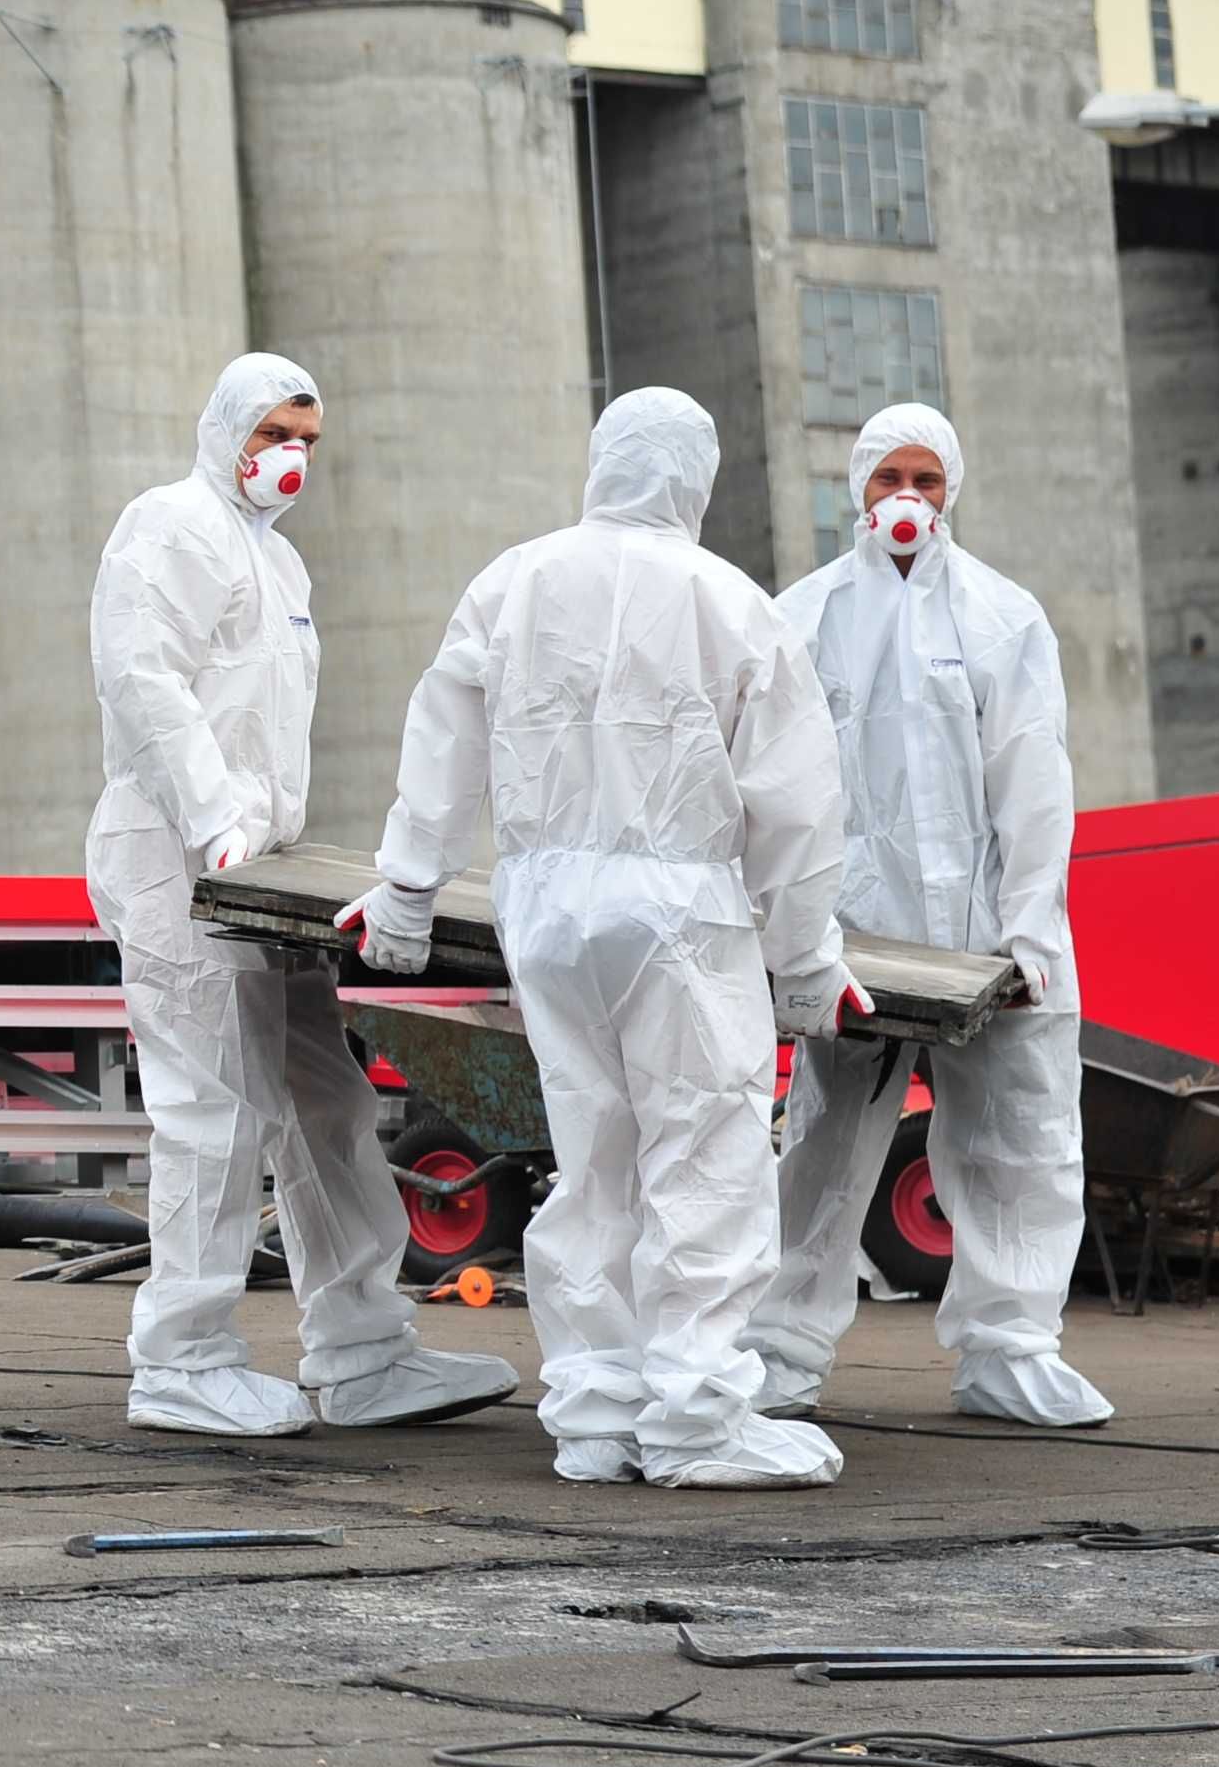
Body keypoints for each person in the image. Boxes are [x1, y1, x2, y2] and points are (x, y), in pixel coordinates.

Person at [348, 388, 860, 1490]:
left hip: (542, 904)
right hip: (677, 907)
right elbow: (797, 800)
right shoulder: (728, 600)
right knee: (704, 1149)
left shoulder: (513, 579)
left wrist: (403, 890)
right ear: (695, 475)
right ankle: (694, 1416)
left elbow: (440, 742)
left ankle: (591, 1412)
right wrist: (806, 956)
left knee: (591, 1155)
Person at [90, 351, 519, 1437]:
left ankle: (362, 1348)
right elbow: (142, 682)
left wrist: (259, 845)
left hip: (254, 873)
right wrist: (208, 819)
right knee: (209, 1112)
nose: (288, 458)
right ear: (226, 426)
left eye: (306, 442)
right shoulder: (165, 526)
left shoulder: (278, 566)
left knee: (321, 1103)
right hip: (178, 862)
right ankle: (180, 1360)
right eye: (273, 433)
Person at [751, 405, 1110, 1427]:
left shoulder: (1002, 617)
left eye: (924, 480)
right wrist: (792, 936)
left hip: (987, 942)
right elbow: (776, 788)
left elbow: (1033, 783)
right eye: (885, 480)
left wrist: (1029, 934)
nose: (903, 501)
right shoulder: (802, 616)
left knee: (1020, 1135)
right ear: (854, 490)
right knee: (821, 1143)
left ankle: (1007, 1347)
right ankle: (778, 1349)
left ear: (951, 489)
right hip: (853, 941)